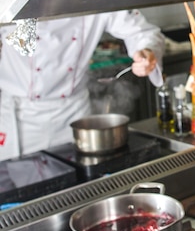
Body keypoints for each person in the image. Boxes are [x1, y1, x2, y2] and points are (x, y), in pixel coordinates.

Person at [0, 9, 165, 160]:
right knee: (18, 185)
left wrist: (146, 51)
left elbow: (142, 32)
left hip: (73, 115)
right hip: (19, 116)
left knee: (80, 183)